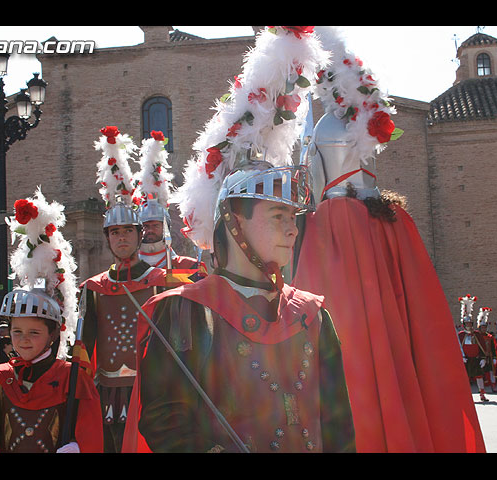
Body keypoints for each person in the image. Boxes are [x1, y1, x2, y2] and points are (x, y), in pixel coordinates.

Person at [123, 26, 355, 453]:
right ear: (233, 223)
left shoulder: (313, 315)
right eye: (278, 216)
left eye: (293, 217)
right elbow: (166, 424)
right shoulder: (184, 312)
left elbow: (339, 427)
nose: (292, 229)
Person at [292, 26, 485, 452]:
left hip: (339, 231)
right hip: (377, 221)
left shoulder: (330, 217)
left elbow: (312, 182)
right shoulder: (395, 220)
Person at [0, 188, 103, 452]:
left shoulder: (73, 379)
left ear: (52, 335)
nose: (24, 340)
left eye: (34, 332)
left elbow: (90, 436)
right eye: (17, 332)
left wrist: (79, 447)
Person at [80, 126, 169, 453]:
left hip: (152, 389)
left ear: (139, 234)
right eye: (114, 232)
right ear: (107, 238)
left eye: (127, 231)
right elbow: (85, 346)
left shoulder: (160, 281)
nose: (121, 238)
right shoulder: (93, 287)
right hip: (107, 391)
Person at [135, 130, 205, 273]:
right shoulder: (127, 269)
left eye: (155, 225)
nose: (150, 230)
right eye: (146, 226)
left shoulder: (189, 267)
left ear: (165, 227)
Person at [457, 296, 490, 402]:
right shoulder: (461, 335)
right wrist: (461, 357)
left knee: (479, 377)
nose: (469, 325)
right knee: (464, 378)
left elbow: (482, 346)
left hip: (476, 359)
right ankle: (465, 396)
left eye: (470, 323)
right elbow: (458, 348)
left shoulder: (477, 334)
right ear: (464, 324)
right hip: (465, 359)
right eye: (467, 323)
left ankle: (482, 394)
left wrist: (483, 358)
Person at [477, 307, 497, 392]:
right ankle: (481, 388)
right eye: (482, 327)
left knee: (491, 372)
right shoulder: (477, 337)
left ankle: (493, 386)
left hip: (489, 356)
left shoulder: (489, 337)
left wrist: (494, 357)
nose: (484, 329)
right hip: (480, 357)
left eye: (485, 327)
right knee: (481, 373)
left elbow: (493, 347)